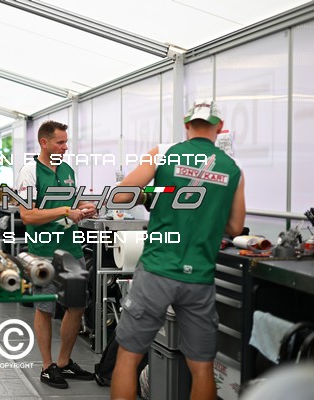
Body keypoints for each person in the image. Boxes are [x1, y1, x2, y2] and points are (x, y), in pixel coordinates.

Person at [110, 100, 246, 400]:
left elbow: (120, 195)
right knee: (202, 367)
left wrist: (150, 196)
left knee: (128, 357)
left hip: (157, 270)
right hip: (199, 276)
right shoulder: (232, 169)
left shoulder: (163, 153)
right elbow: (236, 227)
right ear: (219, 127)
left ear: (186, 125)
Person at [15, 120, 97, 389]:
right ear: (44, 142)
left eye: (66, 142)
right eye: (60, 142)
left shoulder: (67, 170)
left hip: (71, 249)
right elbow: (27, 215)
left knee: (77, 305)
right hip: (44, 252)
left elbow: (71, 203)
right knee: (45, 309)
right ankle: (47, 366)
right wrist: (64, 211)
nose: (65, 147)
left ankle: (63, 362)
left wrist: (85, 207)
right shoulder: (29, 172)